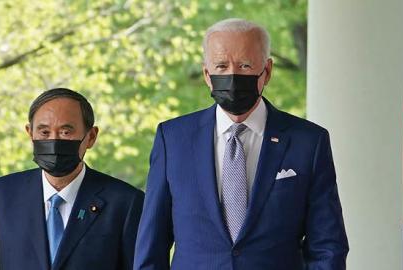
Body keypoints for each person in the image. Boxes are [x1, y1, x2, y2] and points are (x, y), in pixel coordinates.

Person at [134, 18, 348, 270]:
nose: (232, 75)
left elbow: (327, 246)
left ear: (266, 71)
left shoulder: (308, 142)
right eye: (221, 66)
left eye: (245, 65)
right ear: (207, 74)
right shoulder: (173, 139)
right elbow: (152, 243)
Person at [0, 88, 144, 270]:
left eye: (65, 132)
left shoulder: (126, 202)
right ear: (30, 133)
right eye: (44, 132)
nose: (54, 141)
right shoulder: (0, 197)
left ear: (91, 137)